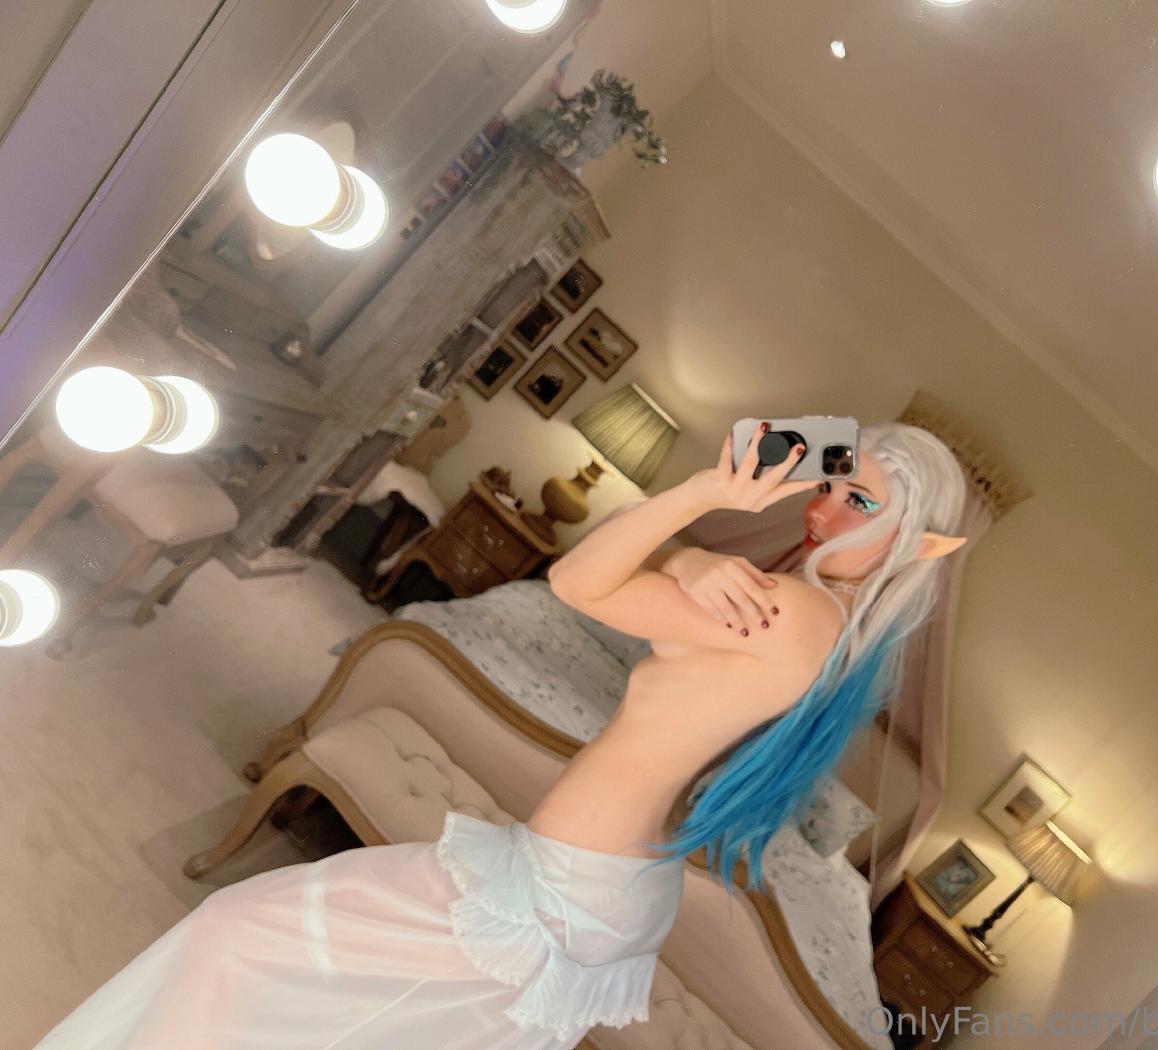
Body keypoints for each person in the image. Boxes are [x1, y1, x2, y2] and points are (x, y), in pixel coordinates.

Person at [36, 420, 967, 1050]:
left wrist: (695, 498)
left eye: (862, 505)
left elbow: (578, 583)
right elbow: (624, 582)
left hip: (562, 890)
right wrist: (690, 559)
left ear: (919, 546)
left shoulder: (791, 612)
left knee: (239, 936)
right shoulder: (821, 626)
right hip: (589, 881)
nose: (822, 511)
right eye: (835, 484)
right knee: (325, 997)